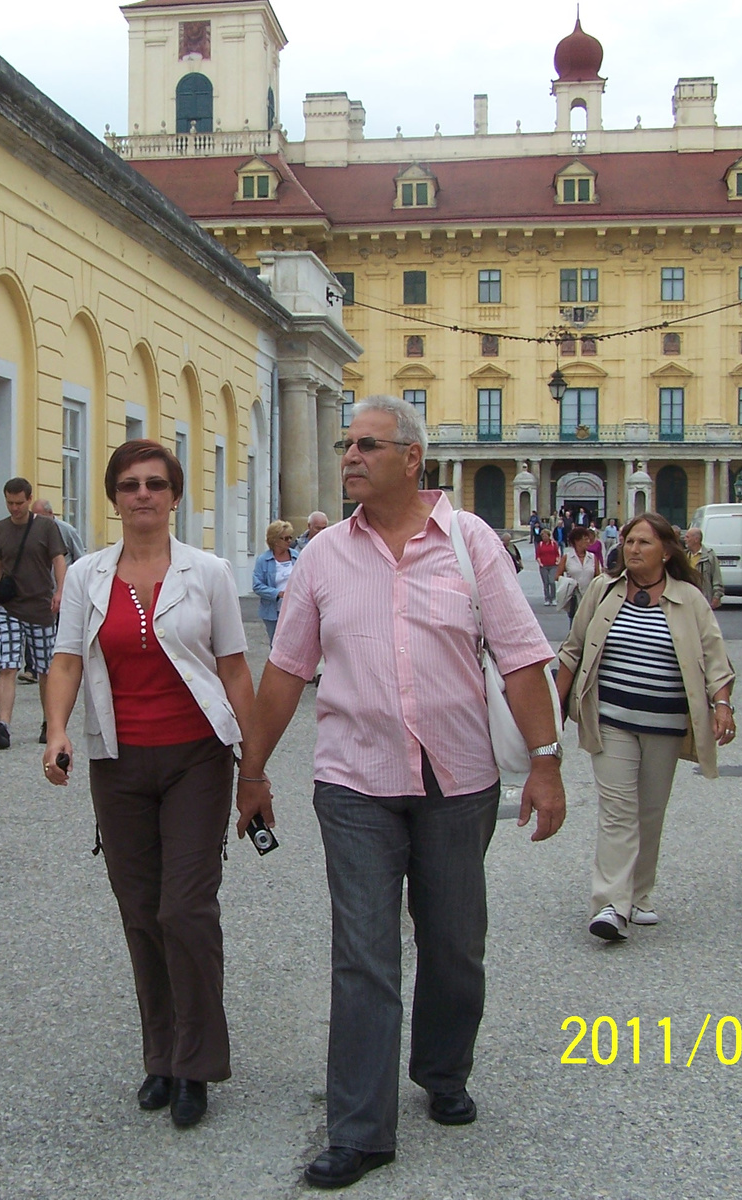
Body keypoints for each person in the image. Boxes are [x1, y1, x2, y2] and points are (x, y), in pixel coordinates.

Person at [235, 396, 565, 1190]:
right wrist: (252, 770)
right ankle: (360, 1128)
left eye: (366, 445)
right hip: (354, 782)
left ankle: (443, 1070)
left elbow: (521, 658)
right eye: (346, 444)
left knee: (454, 941)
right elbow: (284, 673)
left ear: (412, 459)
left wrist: (548, 764)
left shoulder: (472, 542)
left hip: (460, 779)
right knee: (365, 954)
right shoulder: (321, 556)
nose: (348, 456)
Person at [42, 439, 255, 1129]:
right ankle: (160, 1055)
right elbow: (68, 659)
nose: (143, 495)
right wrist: (56, 730)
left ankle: (197, 1064)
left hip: (196, 756)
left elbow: (234, 670)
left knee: (184, 909)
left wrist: (254, 768)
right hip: (118, 760)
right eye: (130, 485)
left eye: (156, 484)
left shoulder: (210, 571)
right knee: (140, 912)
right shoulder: (86, 576)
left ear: (174, 496)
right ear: (113, 497)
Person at [556, 513, 736, 942]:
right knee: (618, 813)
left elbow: (715, 659)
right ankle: (609, 906)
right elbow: (572, 650)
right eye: (630, 541)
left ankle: (639, 894)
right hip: (612, 721)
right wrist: (553, 711)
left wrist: (723, 704)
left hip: (666, 723)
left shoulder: (689, 599)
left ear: (667, 551)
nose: (632, 549)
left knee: (649, 812)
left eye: (644, 542)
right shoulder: (602, 590)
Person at [0, 478, 67, 750]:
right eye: (9, 503)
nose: (14, 508)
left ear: (29, 499)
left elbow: (58, 560)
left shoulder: (46, 527)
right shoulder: (1, 530)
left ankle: (49, 722)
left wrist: (60, 591)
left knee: (45, 669)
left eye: (19, 503)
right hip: (10, 606)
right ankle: (3, 725)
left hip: (40, 606)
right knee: (7, 664)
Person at [252, 520, 299, 646]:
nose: (289, 541)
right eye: (286, 538)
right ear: (275, 540)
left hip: (294, 608)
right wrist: (278, 593)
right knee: (277, 644)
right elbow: (257, 586)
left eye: (290, 537)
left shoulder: (297, 556)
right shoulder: (263, 560)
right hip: (273, 611)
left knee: (295, 644)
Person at [556, 526, 600, 622]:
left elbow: (598, 576)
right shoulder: (567, 557)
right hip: (574, 597)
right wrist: (569, 582)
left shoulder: (592, 557)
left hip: (589, 597)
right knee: (574, 625)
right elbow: (557, 576)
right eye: (585, 539)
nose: (588, 541)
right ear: (577, 541)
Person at [32, 497, 87, 563]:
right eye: (35, 517)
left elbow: (80, 559)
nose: (37, 520)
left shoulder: (67, 530)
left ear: (50, 513)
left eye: (40, 517)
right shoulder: (33, 530)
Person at [683, 527, 724, 609]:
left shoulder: (709, 556)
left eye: (687, 537)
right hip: (687, 599)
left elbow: (716, 576)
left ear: (696, 539)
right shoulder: (684, 556)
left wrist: (717, 596)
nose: (684, 539)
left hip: (704, 598)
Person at [534, 529, 560, 606]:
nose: (544, 537)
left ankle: (553, 598)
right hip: (543, 565)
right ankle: (547, 598)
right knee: (546, 583)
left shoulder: (553, 544)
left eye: (545, 536)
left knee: (552, 581)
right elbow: (538, 555)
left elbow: (557, 554)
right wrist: (540, 562)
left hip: (553, 565)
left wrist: (557, 561)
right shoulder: (540, 544)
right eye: (543, 536)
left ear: (549, 536)